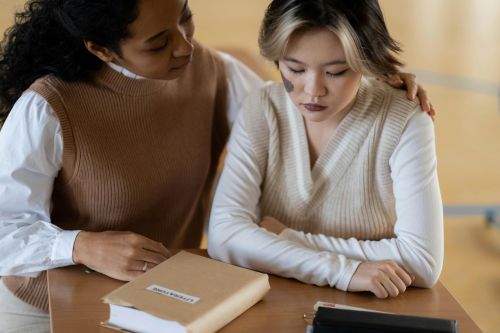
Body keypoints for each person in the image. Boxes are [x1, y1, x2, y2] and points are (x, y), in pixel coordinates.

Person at [0, 0, 432, 331]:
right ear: (102, 50)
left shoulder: (214, 73)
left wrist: (373, 77)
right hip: (50, 300)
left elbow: (294, 105)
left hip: (165, 298)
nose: (185, 46)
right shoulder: (47, 107)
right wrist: (79, 246)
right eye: (158, 42)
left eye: (184, 18)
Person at [208, 0, 443, 300]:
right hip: (274, 303)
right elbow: (224, 236)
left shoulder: (406, 119)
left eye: (336, 72)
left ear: (367, 63)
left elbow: (421, 262)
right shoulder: (261, 107)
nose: (313, 90)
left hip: (370, 309)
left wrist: (283, 238)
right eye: (294, 68)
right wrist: (344, 271)